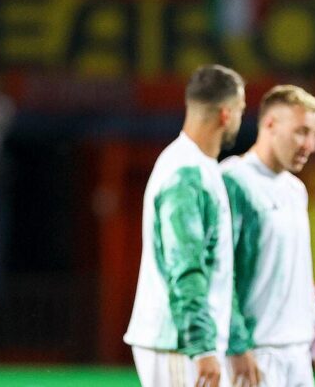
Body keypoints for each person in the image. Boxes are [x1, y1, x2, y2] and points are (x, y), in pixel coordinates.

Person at [124, 64, 246, 387]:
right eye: (241, 110)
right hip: (178, 344)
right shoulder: (185, 174)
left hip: (186, 342)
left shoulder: (200, 168)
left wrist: (233, 342)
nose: (241, 118)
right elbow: (185, 267)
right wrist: (201, 347)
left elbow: (217, 270)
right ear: (225, 114)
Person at [221, 85, 315, 387]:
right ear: (270, 124)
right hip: (254, 356)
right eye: (302, 132)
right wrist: (236, 346)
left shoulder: (295, 190)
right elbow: (219, 274)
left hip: (298, 357)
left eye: (314, 133)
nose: (311, 145)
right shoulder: (232, 181)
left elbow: (302, 277)